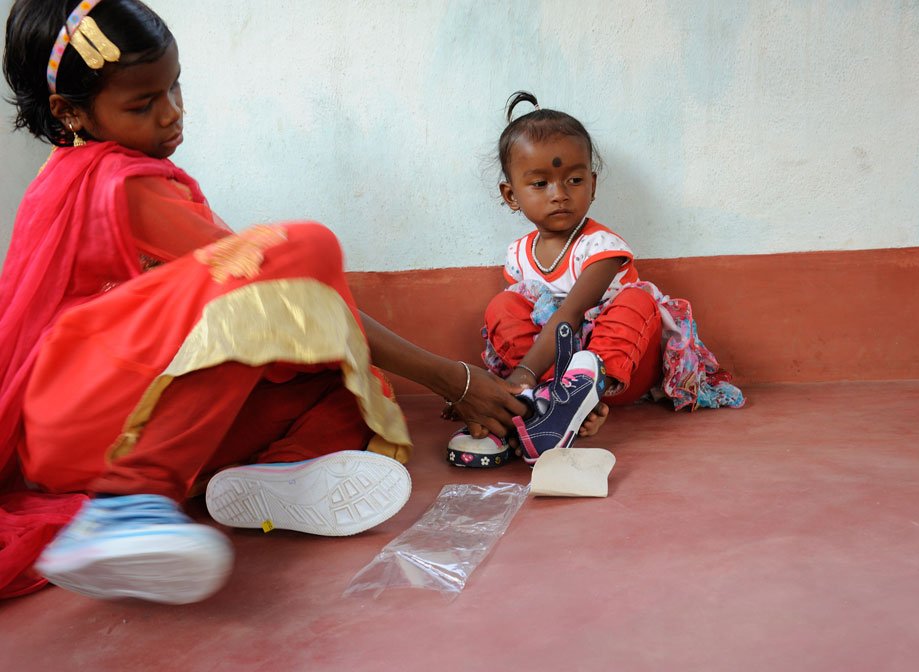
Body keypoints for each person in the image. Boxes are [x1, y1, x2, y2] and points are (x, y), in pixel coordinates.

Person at [0, 0, 528, 604]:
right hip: (92, 424)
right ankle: (128, 504)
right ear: (71, 112)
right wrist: (451, 378)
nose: (173, 114)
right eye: (144, 104)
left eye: (175, 87)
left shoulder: (79, 174)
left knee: (344, 391)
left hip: (101, 425)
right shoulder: (118, 184)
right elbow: (284, 287)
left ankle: (270, 478)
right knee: (305, 249)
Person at [449, 91, 744, 466]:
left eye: (573, 179)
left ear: (593, 183)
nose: (559, 194)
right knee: (502, 306)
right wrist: (494, 389)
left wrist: (522, 373)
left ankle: (578, 397)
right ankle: (545, 406)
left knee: (638, 301)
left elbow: (570, 315)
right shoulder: (517, 255)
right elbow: (519, 327)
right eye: (540, 184)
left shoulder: (602, 246)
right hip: (552, 371)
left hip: (618, 373)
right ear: (511, 195)